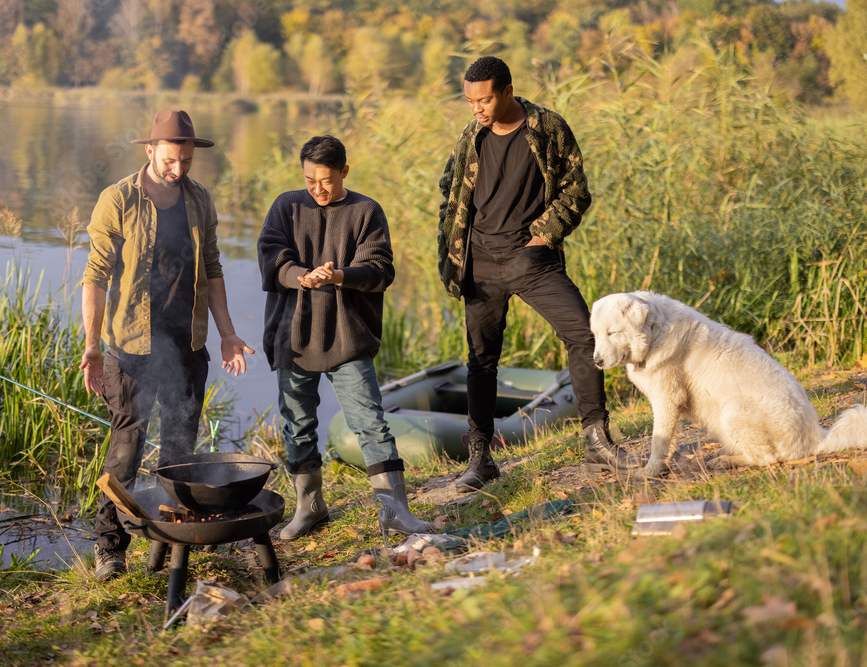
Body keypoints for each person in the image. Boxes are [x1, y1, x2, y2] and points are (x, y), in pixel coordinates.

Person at [438, 56, 635, 493]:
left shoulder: (547, 127)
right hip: (480, 262)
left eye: (485, 99)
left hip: (530, 259)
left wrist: (541, 238)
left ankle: (597, 439)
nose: (477, 108)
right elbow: (450, 188)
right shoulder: (472, 134)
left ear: (508, 91)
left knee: (584, 336)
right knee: (481, 360)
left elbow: (575, 190)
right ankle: (480, 459)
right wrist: (454, 249)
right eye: (470, 100)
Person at [80, 110, 254, 581]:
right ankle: (109, 547)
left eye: (187, 160)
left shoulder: (200, 199)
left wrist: (228, 333)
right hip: (131, 348)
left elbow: (213, 269)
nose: (179, 169)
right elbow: (95, 277)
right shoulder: (117, 199)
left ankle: (171, 540)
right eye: (172, 159)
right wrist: (92, 347)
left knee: (180, 451)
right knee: (126, 449)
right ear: (150, 150)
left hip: (187, 345)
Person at [258, 135, 432, 540]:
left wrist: (339, 276)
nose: (317, 189)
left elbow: (379, 269)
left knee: (371, 424)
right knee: (297, 427)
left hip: (347, 337)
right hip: (294, 337)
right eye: (309, 180)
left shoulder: (366, 211)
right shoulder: (287, 205)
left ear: (345, 172)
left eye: (326, 181)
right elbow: (271, 256)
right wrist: (300, 276)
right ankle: (310, 507)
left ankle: (395, 511)